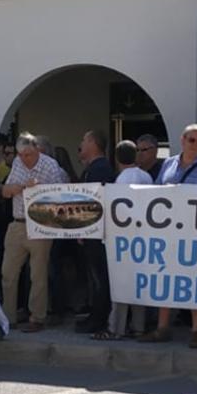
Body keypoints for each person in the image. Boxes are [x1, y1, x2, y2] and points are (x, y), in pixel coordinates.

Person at [141, 124, 197, 347]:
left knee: (194, 280)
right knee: (166, 277)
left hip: (196, 233)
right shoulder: (168, 163)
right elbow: (157, 193)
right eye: (191, 140)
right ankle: (162, 327)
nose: (195, 145)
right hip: (168, 232)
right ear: (182, 139)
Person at [0, 132, 67, 333]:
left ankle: (37, 317)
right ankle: (8, 317)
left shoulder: (49, 165)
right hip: (17, 223)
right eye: (20, 154)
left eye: (28, 154)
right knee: (8, 273)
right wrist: (22, 187)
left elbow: (60, 194)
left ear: (37, 150)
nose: (23, 158)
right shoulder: (18, 164)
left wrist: (40, 191)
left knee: (38, 274)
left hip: (41, 223)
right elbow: (5, 191)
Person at [101, 141, 152, 339]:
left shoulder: (120, 180)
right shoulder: (147, 177)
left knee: (120, 283)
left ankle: (116, 328)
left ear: (116, 158)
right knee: (139, 283)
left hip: (124, 238)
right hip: (144, 236)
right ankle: (138, 326)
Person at [74, 131, 115, 335]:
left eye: (83, 140)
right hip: (91, 231)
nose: (81, 144)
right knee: (94, 276)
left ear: (92, 143)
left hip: (97, 233)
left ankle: (99, 319)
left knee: (100, 277)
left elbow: (94, 201)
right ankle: (94, 315)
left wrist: (86, 227)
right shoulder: (93, 168)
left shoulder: (100, 169)